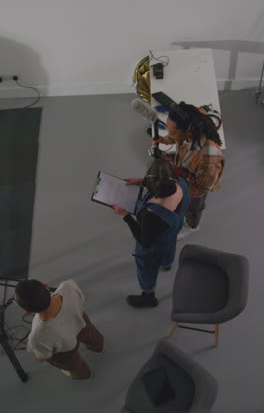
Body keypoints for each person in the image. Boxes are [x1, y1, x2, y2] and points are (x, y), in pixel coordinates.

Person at [111, 158, 190, 308]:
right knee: (170, 245)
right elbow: (164, 183)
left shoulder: (151, 214)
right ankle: (167, 263)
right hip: (173, 228)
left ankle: (148, 296)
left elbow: (144, 240)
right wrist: (141, 181)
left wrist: (125, 215)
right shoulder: (181, 183)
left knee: (146, 267)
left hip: (154, 246)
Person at [153, 102, 225, 240]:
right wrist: (162, 140)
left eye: (173, 132)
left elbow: (203, 186)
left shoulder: (210, 157)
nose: (170, 134)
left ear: (188, 131)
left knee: (192, 210)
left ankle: (192, 227)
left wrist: (176, 170)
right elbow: (176, 137)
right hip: (183, 173)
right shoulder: (189, 125)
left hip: (194, 192)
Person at [14, 279, 104, 380]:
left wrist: (37, 356)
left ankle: (84, 374)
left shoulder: (37, 336)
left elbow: (43, 355)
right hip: (80, 323)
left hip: (67, 348)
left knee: (69, 362)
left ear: (28, 312)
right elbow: (81, 298)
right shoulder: (68, 286)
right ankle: (98, 347)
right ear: (47, 287)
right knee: (92, 335)